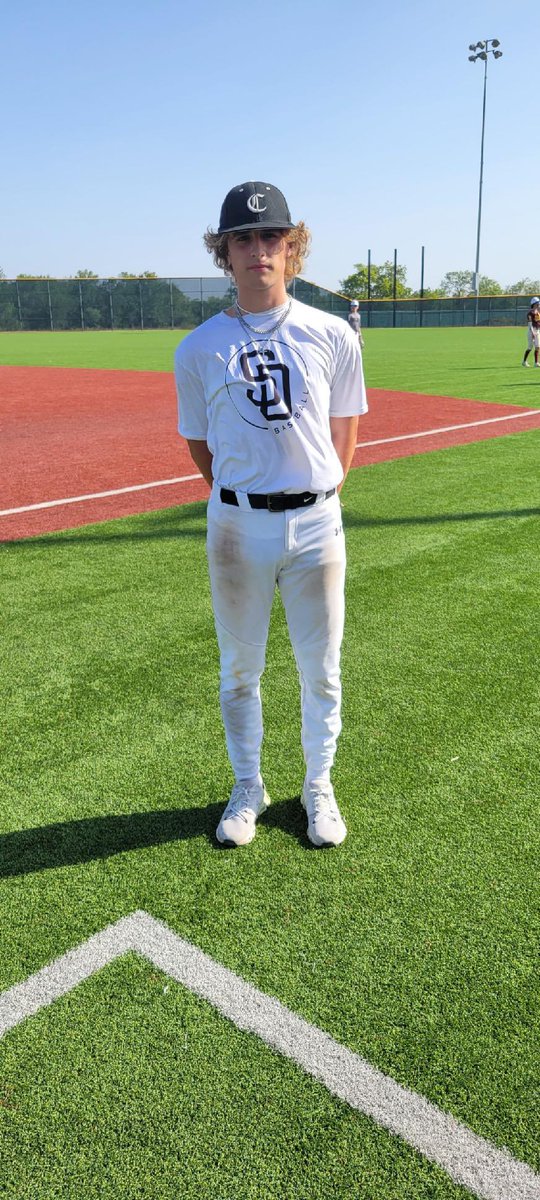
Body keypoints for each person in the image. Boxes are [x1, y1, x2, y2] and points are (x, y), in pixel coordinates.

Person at [174, 181, 367, 849]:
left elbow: (345, 429)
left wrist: (317, 490)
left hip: (317, 527)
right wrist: (246, 493)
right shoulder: (197, 348)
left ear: (292, 248)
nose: (258, 249)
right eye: (243, 238)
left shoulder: (333, 332)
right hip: (235, 526)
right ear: (224, 252)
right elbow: (199, 442)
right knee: (239, 669)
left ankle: (318, 785)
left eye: (271, 237)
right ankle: (248, 784)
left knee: (323, 670)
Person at [522, 296, 540, 367]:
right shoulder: (530, 313)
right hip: (531, 331)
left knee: (538, 346)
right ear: (534, 304)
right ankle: (524, 361)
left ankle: (536, 363)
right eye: (538, 303)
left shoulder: (538, 312)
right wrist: (532, 332)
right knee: (530, 347)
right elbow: (530, 324)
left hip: (537, 330)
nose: (539, 304)